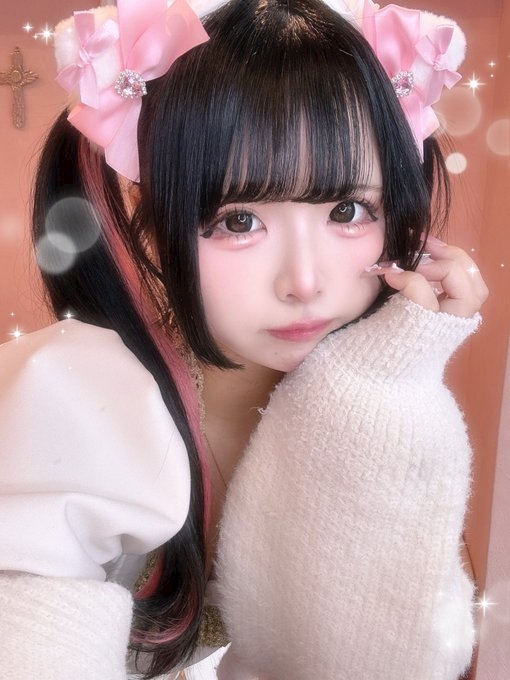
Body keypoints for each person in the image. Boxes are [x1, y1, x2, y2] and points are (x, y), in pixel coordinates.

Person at [0, 0, 488, 678]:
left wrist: (394, 373)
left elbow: (384, 658)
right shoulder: (77, 394)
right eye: (238, 221)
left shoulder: (344, 396)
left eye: (348, 210)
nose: (305, 282)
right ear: (149, 221)